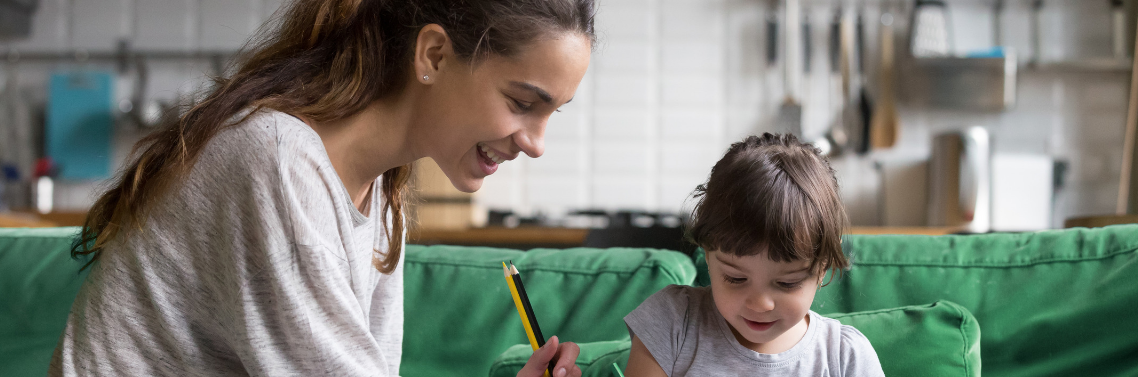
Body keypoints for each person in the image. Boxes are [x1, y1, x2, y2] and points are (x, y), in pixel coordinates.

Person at [50, 0, 594, 376]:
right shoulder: (280, 163)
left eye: (553, 114)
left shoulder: (381, 192)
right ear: (433, 56)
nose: (536, 143)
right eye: (523, 103)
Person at [622, 134, 885, 376]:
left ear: (823, 266)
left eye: (787, 283)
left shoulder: (845, 357)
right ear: (707, 252)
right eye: (735, 278)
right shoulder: (672, 322)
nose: (760, 304)